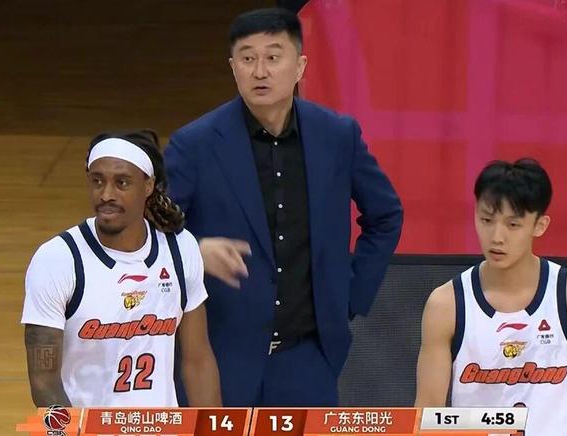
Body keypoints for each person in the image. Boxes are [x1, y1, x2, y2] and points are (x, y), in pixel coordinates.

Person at [164, 8, 403, 406]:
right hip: (220, 354)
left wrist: (349, 296)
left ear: (300, 66)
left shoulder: (337, 136)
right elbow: (151, 233)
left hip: (308, 356)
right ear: (232, 67)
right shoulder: (195, 144)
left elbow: (385, 215)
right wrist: (195, 251)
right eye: (247, 58)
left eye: (273, 57)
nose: (260, 71)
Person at [414, 159, 567, 435]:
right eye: (486, 220)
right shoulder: (446, 305)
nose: (497, 237)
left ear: (540, 225)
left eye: (513, 224)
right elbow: (429, 408)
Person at [21, 130, 221, 407]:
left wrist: (213, 426)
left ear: (148, 186)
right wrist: (76, 428)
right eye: (97, 181)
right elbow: (45, 385)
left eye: (121, 183)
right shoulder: (57, 259)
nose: (106, 195)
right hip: (87, 425)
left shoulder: (180, 249)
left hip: (160, 424)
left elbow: (197, 361)